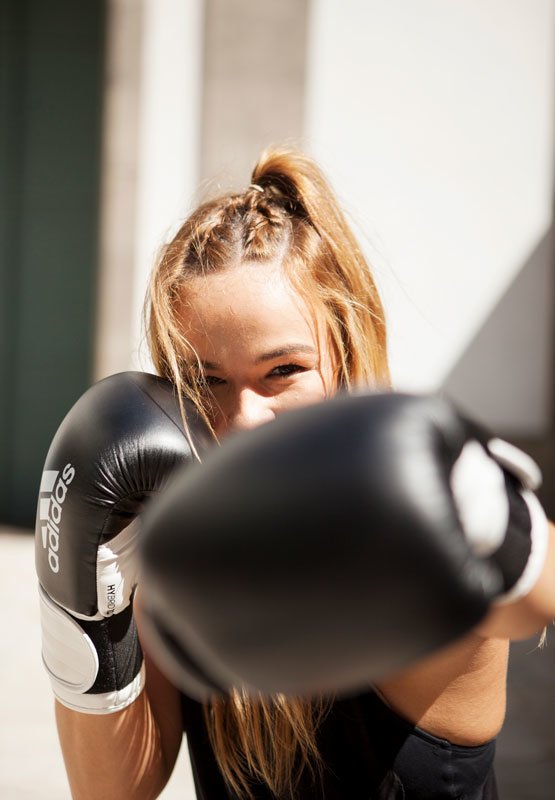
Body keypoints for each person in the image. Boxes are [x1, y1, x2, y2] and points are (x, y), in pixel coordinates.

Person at [37, 147, 555, 800]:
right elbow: (111, 793)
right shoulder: (179, 564)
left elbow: (534, 604)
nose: (244, 419)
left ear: (342, 353)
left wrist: (482, 505)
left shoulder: (399, 533)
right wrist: (83, 607)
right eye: (205, 382)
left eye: (282, 370)